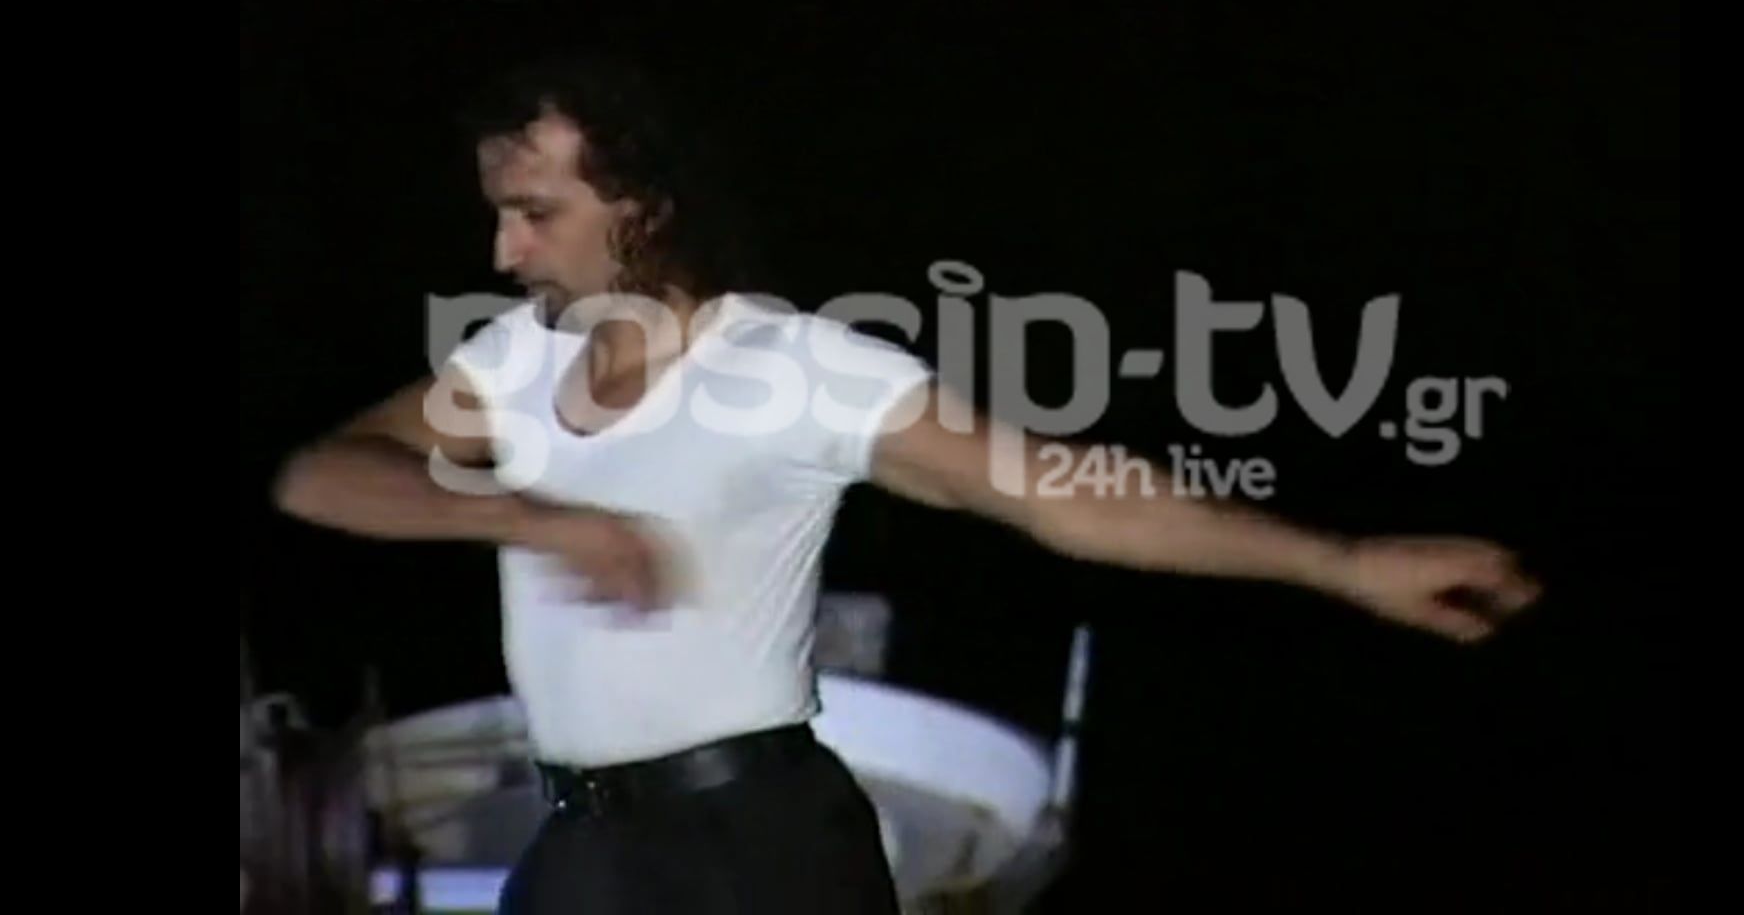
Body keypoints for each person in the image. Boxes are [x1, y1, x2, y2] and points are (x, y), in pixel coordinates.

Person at [270, 54, 1542, 913]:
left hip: (750, 849)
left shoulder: (793, 367)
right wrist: (528, 514)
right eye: (499, 212)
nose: (502, 249)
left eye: (534, 212)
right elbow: (324, 475)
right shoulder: (516, 362)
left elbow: (1058, 494)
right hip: (577, 848)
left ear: (642, 208)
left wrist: (1340, 562)